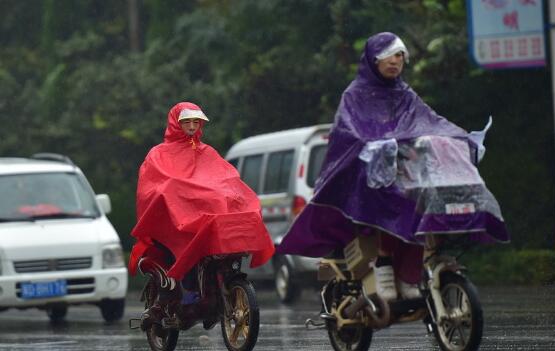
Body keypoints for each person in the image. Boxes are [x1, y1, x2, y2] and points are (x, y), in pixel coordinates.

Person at [276, 32, 509, 301]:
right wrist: (375, 146)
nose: (396, 61)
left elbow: (430, 120)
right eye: (390, 54)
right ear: (374, 59)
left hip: (405, 175)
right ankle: (384, 267)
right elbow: (349, 133)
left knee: (421, 206)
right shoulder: (354, 95)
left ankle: (409, 275)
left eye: (400, 55)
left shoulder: (405, 93)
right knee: (391, 205)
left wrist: (460, 137)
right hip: (364, 178)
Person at [128, 101, 275, 323]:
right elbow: (153, 189)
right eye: (186, 121)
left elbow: (226, 179)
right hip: (174, 223)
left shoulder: (207, 152)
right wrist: (176, 193)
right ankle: (173, 300)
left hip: (206, 222)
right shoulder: (158, 154)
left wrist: (230, 196)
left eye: (195, 121)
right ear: (175, 123)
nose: (191, 125)